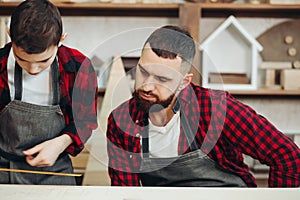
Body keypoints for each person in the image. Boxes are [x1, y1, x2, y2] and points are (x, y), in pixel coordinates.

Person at [106, 25, 300, 187]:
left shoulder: (216, 110)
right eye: (143, 71)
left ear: (184, 82)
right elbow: (126, 192)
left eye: (162, 79)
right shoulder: (122, 121)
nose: (147, 85)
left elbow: (288, 158)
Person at [0, 0, 98, 185]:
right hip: (3, 170)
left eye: (43, 61)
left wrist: (60, 143)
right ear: (9, 36)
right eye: (22, 59)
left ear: (61, 39)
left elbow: (85, 120)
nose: (33, 69)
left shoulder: (78, 67)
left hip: (55, 172)